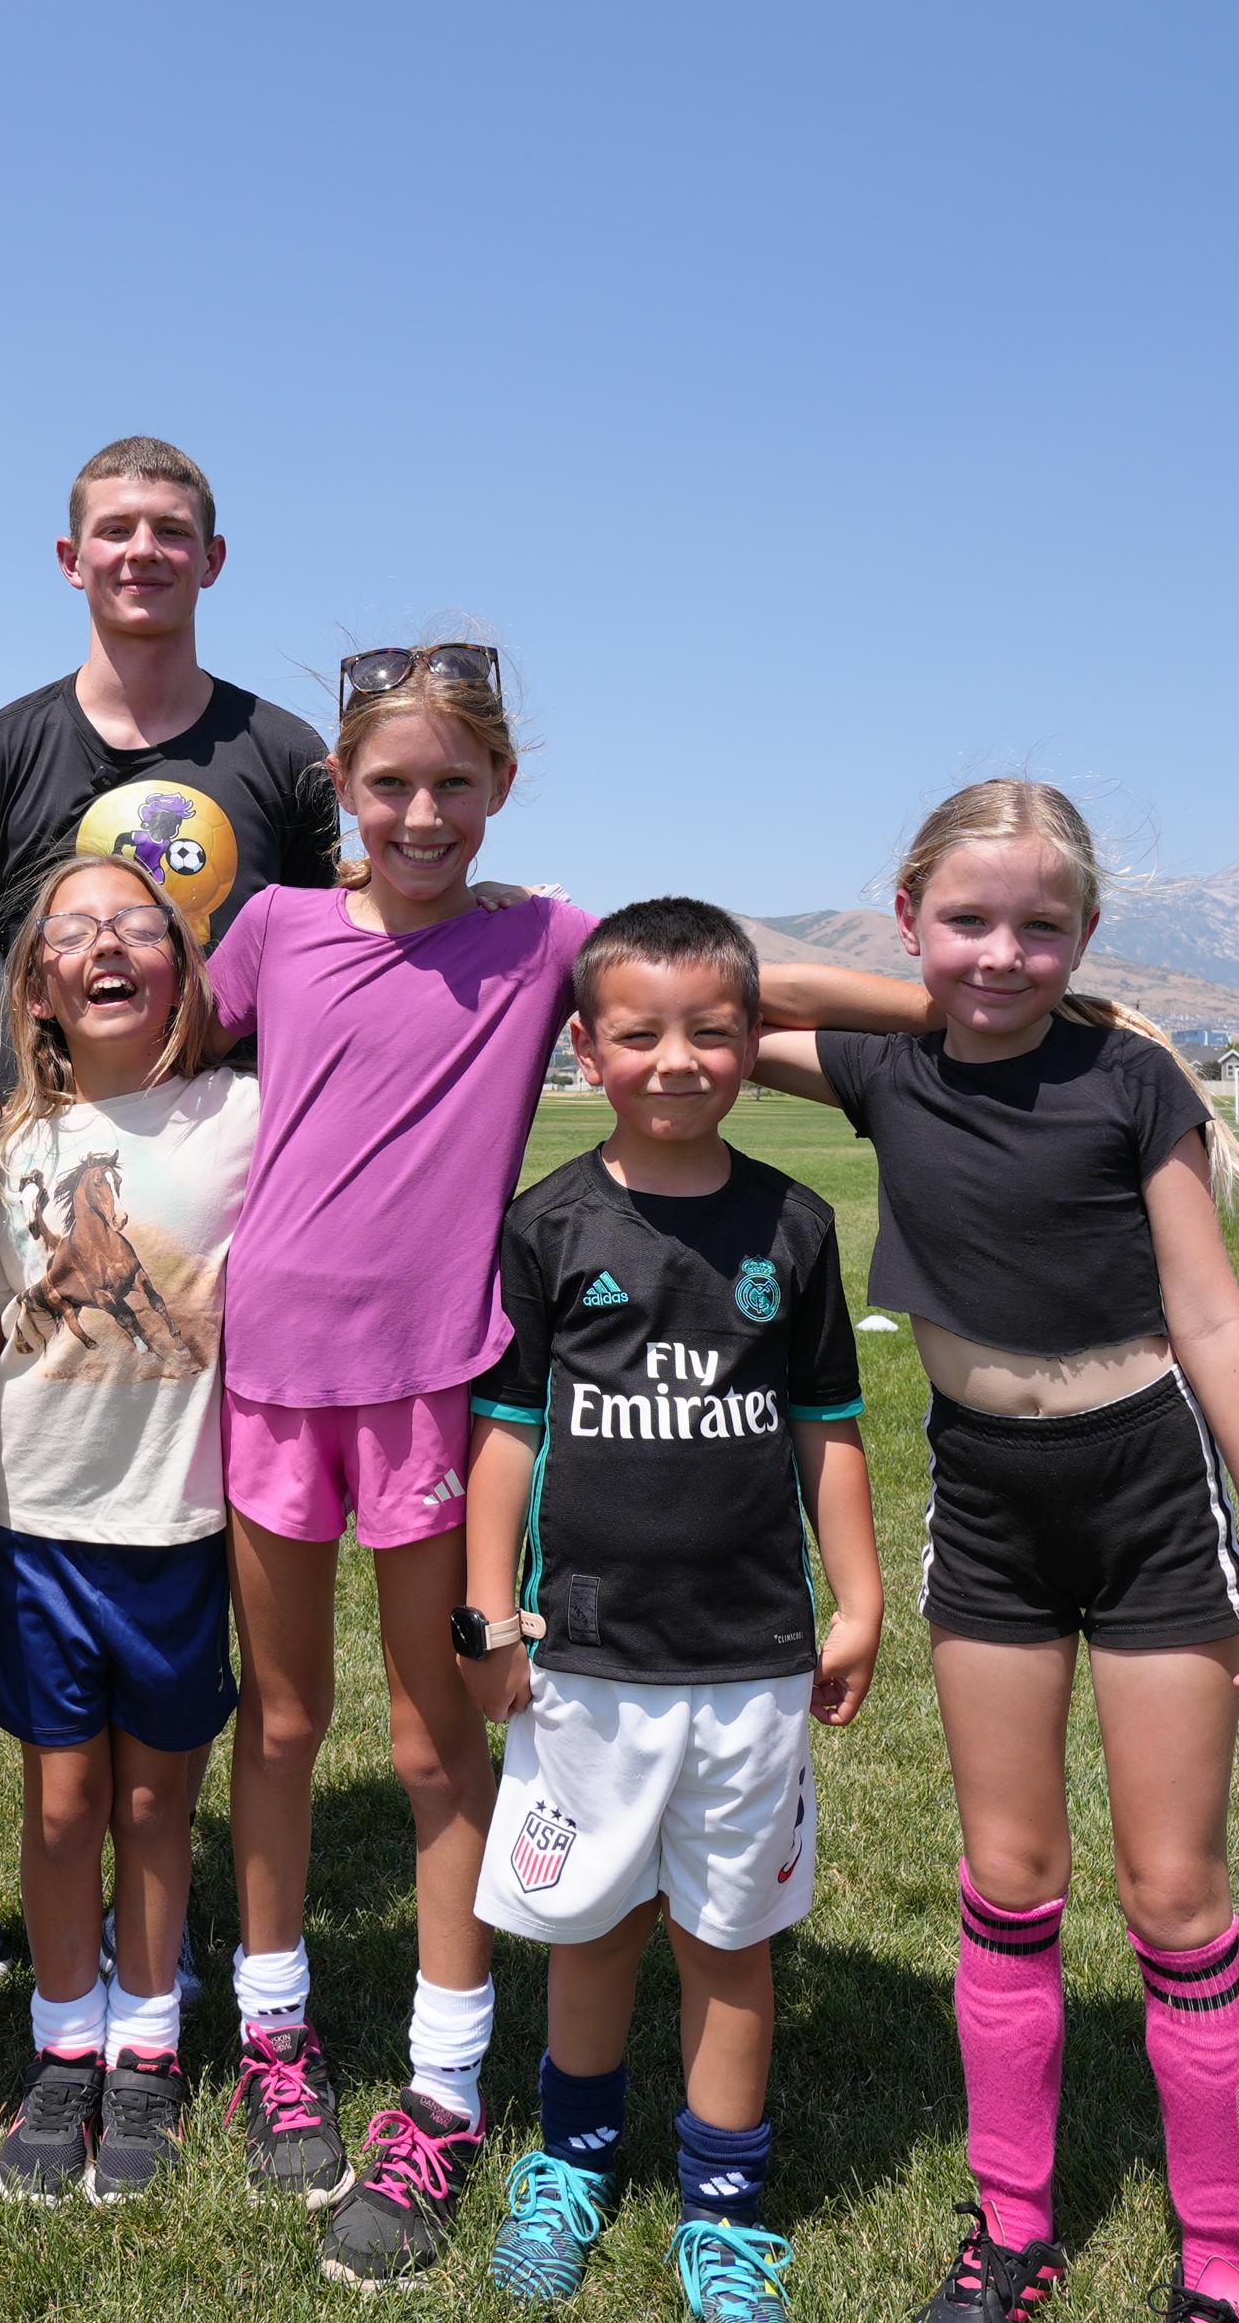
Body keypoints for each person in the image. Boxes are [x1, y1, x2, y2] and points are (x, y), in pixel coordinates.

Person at [203, 645, 928, 2290]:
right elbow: (159, 1052)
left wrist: (965, 1006)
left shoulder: (540, 941)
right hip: (265, 1377)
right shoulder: (277, 927)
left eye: (455, 783)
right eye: (389, 783)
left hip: (428, 1386)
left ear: (503, 790)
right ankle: (273, 2040)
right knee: (282, 1720)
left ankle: (446, 2097)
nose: (422, 812)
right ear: (341, 788)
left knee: (433, 1735)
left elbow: (742, 993)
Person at [754, 781, 1239, 2323]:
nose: (1004, 957)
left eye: (1044, 930)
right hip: (989, 1497)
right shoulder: (887, 1066)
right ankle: (1011, 2232)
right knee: (1008, 1874)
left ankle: (1221, 2255)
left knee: (1173, 1889)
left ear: (1090, 937)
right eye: (969, 924)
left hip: (1145, 1493)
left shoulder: (1131, 1083)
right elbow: (719, 997)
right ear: (907, 916)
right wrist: (922, 1001)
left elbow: (1209, 1314)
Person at [0, 433, 339, 2004]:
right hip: (14, 1172)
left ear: (213, 561)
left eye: (172, 531)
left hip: (217, 1176)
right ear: (68, 559)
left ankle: (171, 1899)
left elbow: (337, 964)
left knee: (169, 1529)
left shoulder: (286, 757)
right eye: (114, 531)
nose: (142, 552)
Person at [458, 899, 886, 2323]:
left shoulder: (796, 1227)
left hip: (751, 1661)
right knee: (592, 1929)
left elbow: (828, 1425)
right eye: (639, 1032)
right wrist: (487, 1614)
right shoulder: (550, 1225)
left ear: (755, 1043)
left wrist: (862, 1593)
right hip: (586, 1657)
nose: (678, 1058)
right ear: (588, 1048)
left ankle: (722, 2207)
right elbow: (509, 1434)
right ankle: (570, 2168)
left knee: (730, 1940)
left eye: (713, 1029)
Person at [0, 851, 257, 2206]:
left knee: (155, 1807)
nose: (106, 946)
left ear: (186, 970)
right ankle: (62, 2042)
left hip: (179, 1531)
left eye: (138, 927)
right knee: (62, 1801)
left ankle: (147, 2048)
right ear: (35, 982)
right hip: (34, 1533)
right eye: (72, 930)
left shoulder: (239, 1114)